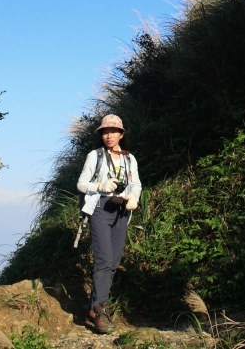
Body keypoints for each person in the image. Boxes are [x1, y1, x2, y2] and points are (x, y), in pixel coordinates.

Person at [76, 114, 142, 333]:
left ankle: (96, 307)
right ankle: (100, 309)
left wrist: (134, 197)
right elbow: (81, 184)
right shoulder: (94, 156)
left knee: (113, 262)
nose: (109, 135)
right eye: (105, 132)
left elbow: (136, 184)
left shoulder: (129, 158)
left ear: (121, 134)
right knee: (104, 259)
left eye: (113, 131)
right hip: (100, 208)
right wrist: (100, 186)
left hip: (121, 210)